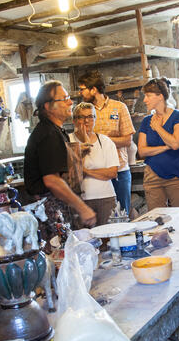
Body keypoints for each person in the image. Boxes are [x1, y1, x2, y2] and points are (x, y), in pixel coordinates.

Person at [23, 80, 96, 228]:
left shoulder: (56, 131)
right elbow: (52, 180)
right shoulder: (48, 134)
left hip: (57, 205)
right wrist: (82, 207)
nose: (70, 102)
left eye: (68, 97)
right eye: (64, 99)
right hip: (48, 209)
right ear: (48, 106)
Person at [78, 71, 136, 217]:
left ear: (94, 89)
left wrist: (103, 140)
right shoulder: (83, 112)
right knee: (98, 219)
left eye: (82, 88)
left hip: (120, 170)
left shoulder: (119, 107)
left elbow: (127, 140)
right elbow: (81, 140)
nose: (80, 92)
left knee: (122, 216)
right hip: (93, 173)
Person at [137, 77, 179, 209]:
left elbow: (175, 145)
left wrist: (158, 128)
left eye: (148, 95)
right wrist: (165, 147)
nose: (145, 100)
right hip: (152, 175)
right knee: (157, 219)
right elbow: (142, 151)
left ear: (160, 96)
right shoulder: (146, 121)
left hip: (178, 176)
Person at [69, 101, 119, 226]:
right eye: (82, 117)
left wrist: (85, 171)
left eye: (90, 116)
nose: (86, 121)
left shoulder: (105, 141)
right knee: (85, 239)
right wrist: (83, 141)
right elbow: (72, 175)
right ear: (74, 120)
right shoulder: (68, 141)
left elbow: (112, 172)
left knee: (109, 238)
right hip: (80, 200)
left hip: (106, 197)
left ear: (95, 119)